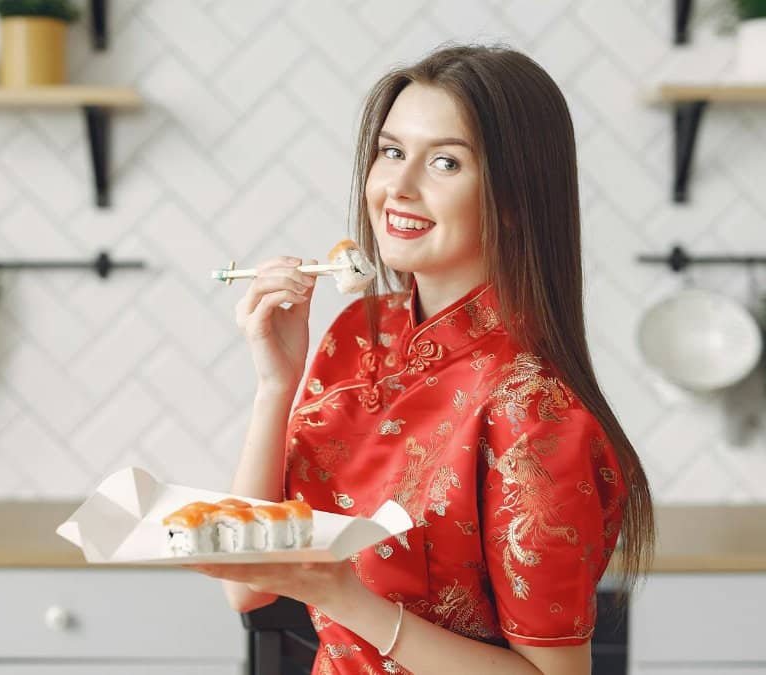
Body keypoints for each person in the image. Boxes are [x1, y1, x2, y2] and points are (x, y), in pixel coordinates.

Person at [188, 43, 655, 675]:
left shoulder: (534, 410)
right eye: (390, 152)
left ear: (517, 200)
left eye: (444, 162)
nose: (398, 188)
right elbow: (246, 585)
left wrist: (345, 599)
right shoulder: (359, 332)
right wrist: (275, 385)